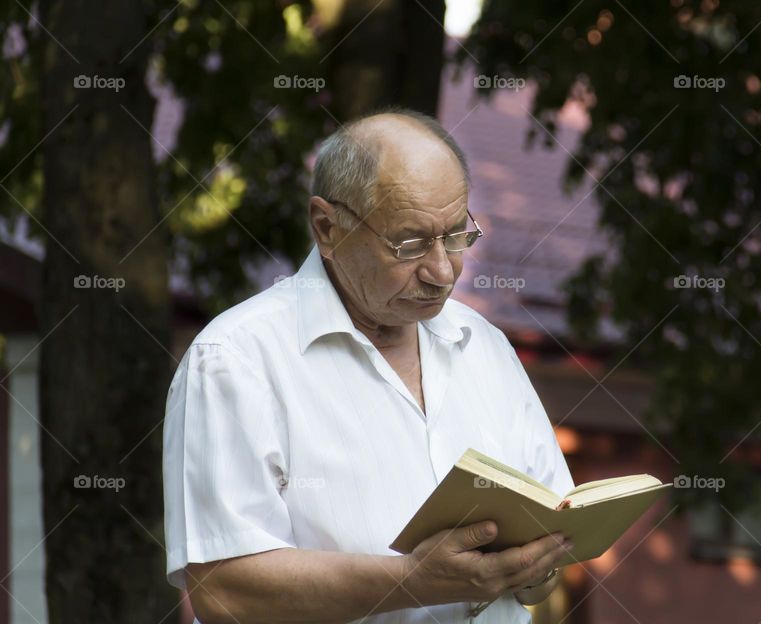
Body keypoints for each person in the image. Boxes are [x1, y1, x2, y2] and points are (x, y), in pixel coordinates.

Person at [163, 108, 575, 623]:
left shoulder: (485, 348)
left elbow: (551, 548)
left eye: (454, 236)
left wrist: (532, 566)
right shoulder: (235, 360)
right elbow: (224, 590)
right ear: (327, 227)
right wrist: (413, 582)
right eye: (410, 243)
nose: (442, 270)